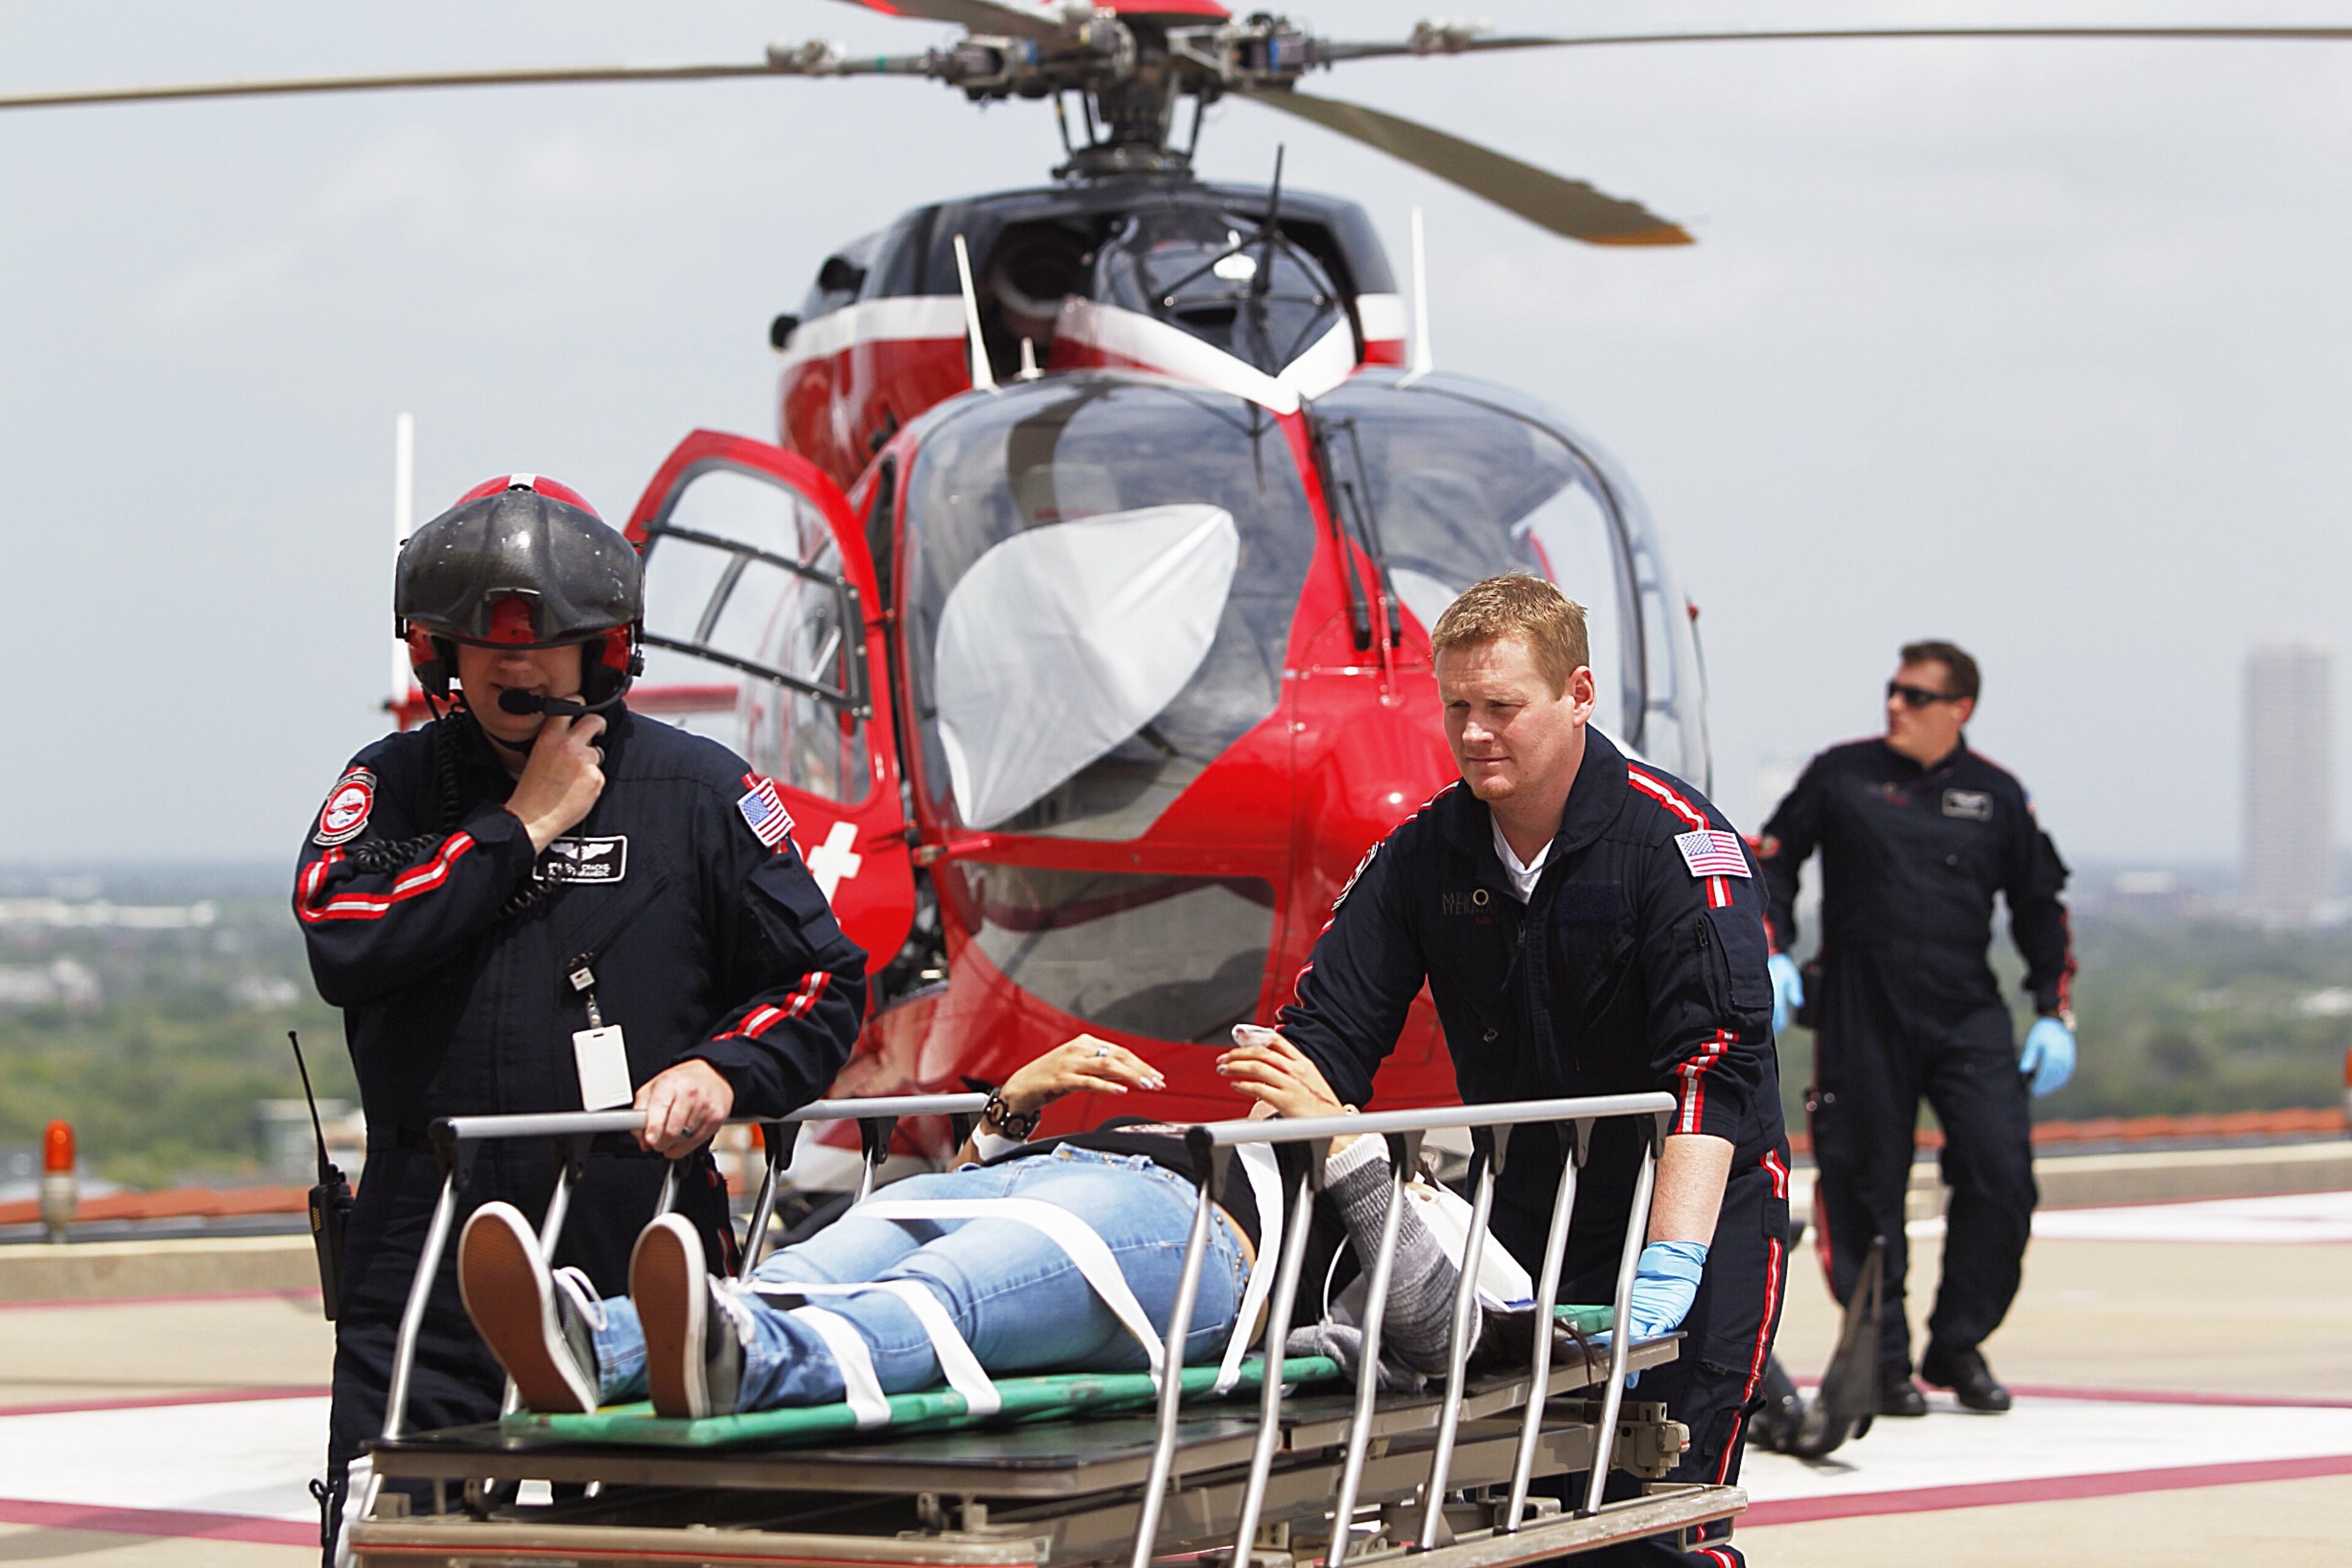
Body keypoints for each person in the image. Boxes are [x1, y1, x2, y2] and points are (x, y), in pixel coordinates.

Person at [296, 475, 868, 1551]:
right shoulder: (393, 788)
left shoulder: (698, 793)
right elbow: (345, 933)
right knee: (395, 1537)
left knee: (662, 1538)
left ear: (604, 648)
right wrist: (519, 826)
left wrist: (722, 1073)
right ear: (439, 654)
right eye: (484, 640)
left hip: (640, 1240)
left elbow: (823, 982)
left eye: (546, 639)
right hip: (426, 1246)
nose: (515, 663)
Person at [1265, 574, 1789, 1568]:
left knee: (1665, 1518)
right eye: (1456, 706)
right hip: (1527, 1222)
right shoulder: (1426, 856)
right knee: (1531, 1522)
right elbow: (1325, 1044)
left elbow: (1710, 1071)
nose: (1473, 734)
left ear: (1578, 695)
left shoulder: (1675, 847)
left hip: (1695, 1211)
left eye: (1502, 707)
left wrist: (1668, 1260)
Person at [458, 1034, 1483, 1420]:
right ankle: (600, 1341)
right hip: (1044, 1176)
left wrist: (1349, 1142)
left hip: (1179, 1230)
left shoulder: (1400, 1189)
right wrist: (1012, 1108)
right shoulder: (1184, 1127)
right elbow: (962, 1202)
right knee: (819, 1259)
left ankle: (753, 1362)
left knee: (951, 1297)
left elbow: (1440, 1334)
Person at [1756, 640, 2074, 1416]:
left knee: (2002, 1177)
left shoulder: (1996, 796)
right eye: (1892, 690)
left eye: (1915, 695)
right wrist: (1772, 951)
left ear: (1959, 709)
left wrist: (2054, 1012)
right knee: (1865, 1184)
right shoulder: (1842, 774)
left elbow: (2041, 907)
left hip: (1968, 1011)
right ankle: (1884, 1360)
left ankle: (1958, 1343)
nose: (1895, 704)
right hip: (1862, 1009)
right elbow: (1770, 859)